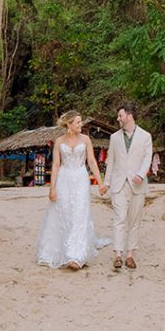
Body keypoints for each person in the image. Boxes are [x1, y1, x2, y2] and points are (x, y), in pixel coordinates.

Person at [37, 110, 109, 270]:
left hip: (80, 179)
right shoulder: (59, 141)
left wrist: (100, 182)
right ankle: (59, 250)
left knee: (79, 214)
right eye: (77, 122)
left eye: (80, 121)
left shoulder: (86, 140)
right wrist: (52, 188)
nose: (80, 124)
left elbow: (91, 161)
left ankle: (77, 255)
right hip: (64, 178)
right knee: (63, 212)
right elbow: (56, 165)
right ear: (69, 124)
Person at [103, 103, 152, 270]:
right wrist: (106, 183)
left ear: (129, 116)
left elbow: (147, 158)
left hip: (137, 183)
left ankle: (130, 254)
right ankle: (117, 254)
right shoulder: (114, 138)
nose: (118, 119)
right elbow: (111, 161)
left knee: (134, 220)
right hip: (118, 183)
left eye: (120, 116)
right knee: (119, 218)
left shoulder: (146, 136)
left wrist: (141, 173)